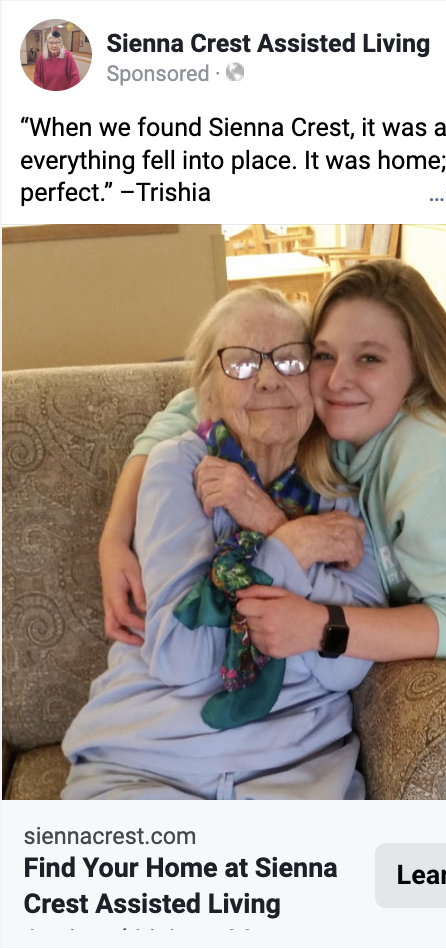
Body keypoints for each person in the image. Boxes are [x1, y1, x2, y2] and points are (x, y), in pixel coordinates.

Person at [102, 261, 446, 800]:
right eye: (323, 355)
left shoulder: (437, 465)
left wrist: (322, 624)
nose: (336, 379)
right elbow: (194, 402)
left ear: (417, 368)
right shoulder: (346, 424)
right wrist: (115, 537)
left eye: (369, 358)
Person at [62, 286, 385, 801]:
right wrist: (292, 548)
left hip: (296, 769)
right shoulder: (178, 467)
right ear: (207, 391)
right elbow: (181, 657)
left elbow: (347, 662)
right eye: (240, 364)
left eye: (290, 360)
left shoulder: (338, 490)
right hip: (147, 760)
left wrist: (268, 523)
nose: (268, 378)